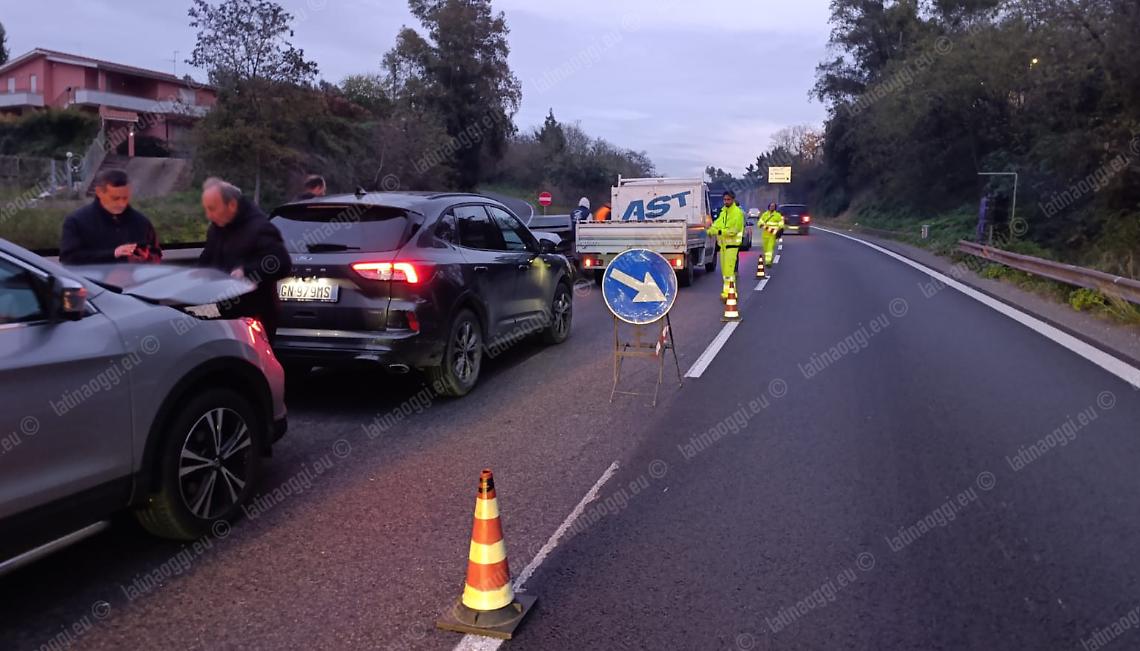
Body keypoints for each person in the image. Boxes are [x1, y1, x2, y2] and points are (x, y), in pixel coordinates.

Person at [198, 179, 292, 340]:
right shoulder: (217, 228)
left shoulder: (259, 227)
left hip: (252, 315)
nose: (209, 215)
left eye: (212, 209)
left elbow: (282, 262)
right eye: (206, 209)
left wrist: (246, 272)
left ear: (232, 205)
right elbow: (207, 258)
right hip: (222, 310)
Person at [59, 169, 162, 264]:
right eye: (115, 198)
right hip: (92, 278)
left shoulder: (141, 222)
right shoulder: (77, 221)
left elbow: (156, 254)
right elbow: (68, 258)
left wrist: (145, 258)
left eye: (125, 198)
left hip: (135, 277)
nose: (121, 204)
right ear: (99, 192)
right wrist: (113, 254)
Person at [707, 191, 745, 299]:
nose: (726, 201)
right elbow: (717, 224)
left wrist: (719, 232)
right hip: (723, 247)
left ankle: (730, 294)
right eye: (724, 199)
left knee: (729, 271)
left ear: (733, 199)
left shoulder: (737, 213)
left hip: (732, 246)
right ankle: (727, 292)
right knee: (725, 272)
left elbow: (734, 230)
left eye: (728, 199)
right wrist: (710, 230)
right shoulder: (723, 212)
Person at [759, 202, 785, 266]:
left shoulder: (778, 215)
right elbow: (760, 222)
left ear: (775, 207)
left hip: (773, 235)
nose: (772, 207)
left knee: (770, 248)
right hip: (765, 235)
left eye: (773, 206)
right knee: (765, 248)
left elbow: (781, 223)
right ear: (769, 207)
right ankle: (768, 259)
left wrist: (780, 229)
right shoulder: (765, 214)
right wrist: (761, 224)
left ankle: (768, 262)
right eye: (771, 206)